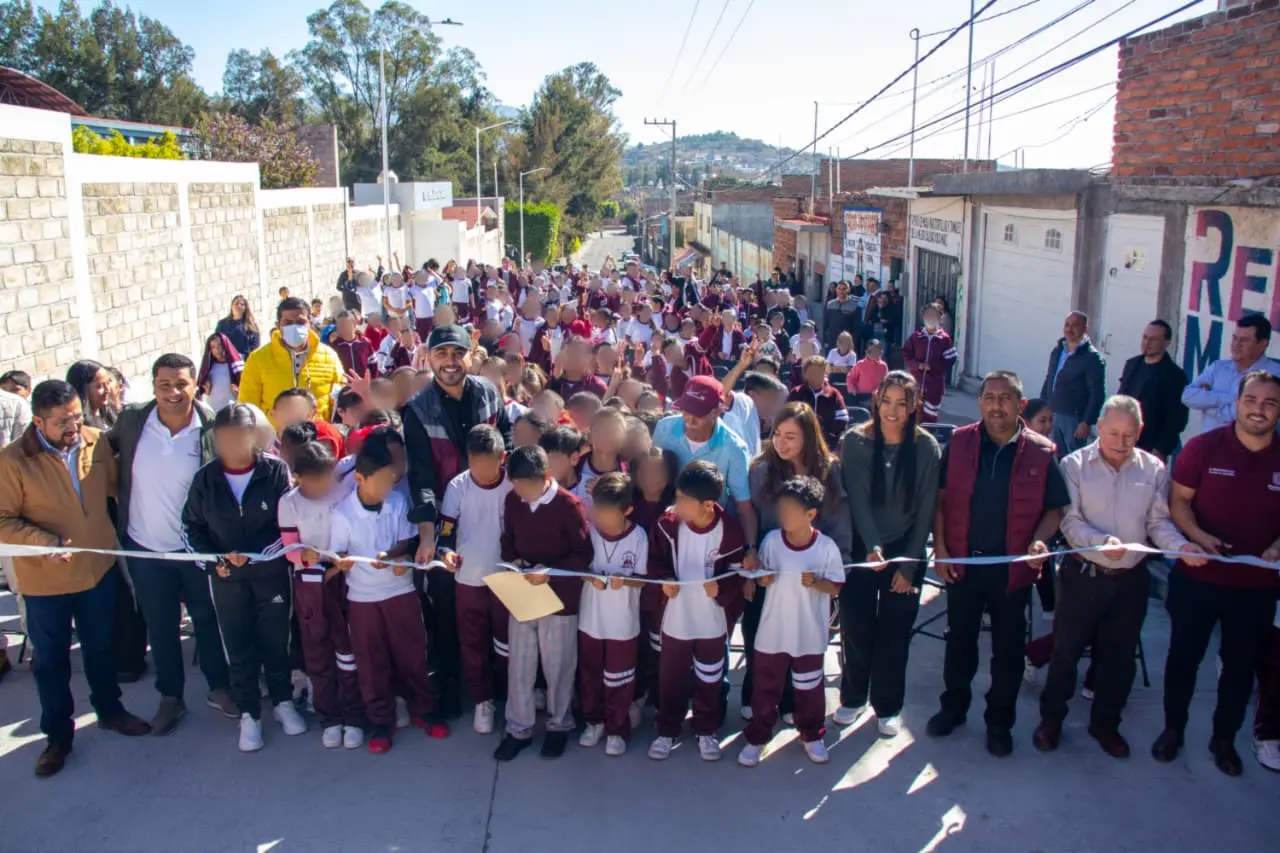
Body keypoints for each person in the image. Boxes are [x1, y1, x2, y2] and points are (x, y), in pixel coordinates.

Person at [1032, 395, 1202, 759]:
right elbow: (1069, 521)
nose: (1121, 443)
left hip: (1130, 580)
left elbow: (1158, 523)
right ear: (1099, 428)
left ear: (1140, 432)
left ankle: (1105, 724)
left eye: (1129, 435)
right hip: (1083, 574)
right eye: (1113, 433)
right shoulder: (1074, 465)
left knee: (1119, 657)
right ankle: (1051, 720)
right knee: (1065, 652)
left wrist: (1179, 547)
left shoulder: (1153, 469)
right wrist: (1099, 541)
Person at [0, 380, 151, 778]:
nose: (73, 428)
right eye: (62, 422)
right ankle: (57, 737)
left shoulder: (96, 443)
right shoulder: (12, 461)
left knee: (102, 647)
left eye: (76, 417)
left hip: (95, 570)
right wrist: (43, 541)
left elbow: (117, 489)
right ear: (38, 422)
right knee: (51, 661)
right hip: (44, 580)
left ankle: (110, 710)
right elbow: (3, 520)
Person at [927, 370, 1070, 757]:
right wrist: (941, 550)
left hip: (1012, 571)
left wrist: (1040, 540)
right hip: (963, 566)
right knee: (960, 643)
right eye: (989, 398)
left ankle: (999, 723)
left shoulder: (1041, 451)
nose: (996, 406)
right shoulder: (959, 442)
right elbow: (940, 501)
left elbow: (1055, 509)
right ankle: (953, 709)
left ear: (1020, 404)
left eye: (1005, 398)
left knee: (1008, 652)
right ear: (980, 403)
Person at [1153, 370, 1280, 776]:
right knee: (1183, 660)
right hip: (1198, 579)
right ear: (1237, 403)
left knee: (1240, 668)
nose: (1259, 410)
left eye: (1270, 403)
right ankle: (1173, 730)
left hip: (1257, 587)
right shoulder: (1204, 447)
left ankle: (1223, 740)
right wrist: (1198, 536)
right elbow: (1179, 502)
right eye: (1251, 400)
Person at [108, 354, 236, 734]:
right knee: (161, 626)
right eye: (164, 385)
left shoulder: (212, 426)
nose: (173, 392)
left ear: (196, 384)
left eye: (181, 384)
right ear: (153, 386)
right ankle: (170, 698)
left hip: (196, 550)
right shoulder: (133, 421)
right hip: (145, 547)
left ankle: (219, 688)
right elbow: (99, 452)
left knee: (208, 620)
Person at [404, 324, 515, 718]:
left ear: (471, 354)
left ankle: (500, 686)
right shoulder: (417, 411)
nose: (450, 362)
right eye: (441, 354)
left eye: (457, 353)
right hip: (447, 518)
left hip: (493, 509)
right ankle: (452, 687)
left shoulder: (488, 392)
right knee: (448, 608)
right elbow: (420, 476)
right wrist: (428, 536)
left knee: (501, 603)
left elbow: (506, 440)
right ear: (428, 358)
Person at [181, 404, 303, 752]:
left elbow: (288, 523)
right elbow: (190, 528)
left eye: (240, 436)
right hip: (226, 581)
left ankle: (283, 702)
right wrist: (213, 562)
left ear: (255, 436)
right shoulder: (205, 479)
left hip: (270, 575)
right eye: (225, 438)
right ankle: (250, 713)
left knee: (276, 640)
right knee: (238, 646)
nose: (232, 444)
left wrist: (256, 554)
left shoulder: (275, 470)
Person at [329, 429, 449, 754]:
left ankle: (424, 710)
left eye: (391, 480)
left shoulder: (397, 502)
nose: (387, 487)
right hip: (364, 599)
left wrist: (397, 558)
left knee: (414, 656)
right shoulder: (342, 514)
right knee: (372, 663)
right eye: (381, 481)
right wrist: (341, 563)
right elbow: (337, 554)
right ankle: (381, 722)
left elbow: (406, 541)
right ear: (359, 478)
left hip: (401, 592)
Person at [838, 371, 942, 735]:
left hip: (905, 548)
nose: (893, 411)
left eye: (902, 403)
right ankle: (853, 697)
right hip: (863, 546)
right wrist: (872, 547)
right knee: (856, 627)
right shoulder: (856, 441)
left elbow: (926, 511)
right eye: (886, 401)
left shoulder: (926, 447)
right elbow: (858, 500)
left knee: (895, 634)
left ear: (914, 406)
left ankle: (888, 706)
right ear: (876, 401)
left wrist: (909, 566)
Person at [743, 403, 851, 717]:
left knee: (800, 637)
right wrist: (751, 555)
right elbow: (750, 515)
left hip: (810, 570)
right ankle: (755, 696)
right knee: (759, 632)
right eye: (777, 434)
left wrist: (837, 569)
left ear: (808, 437)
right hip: (770, 566)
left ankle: (791, 701)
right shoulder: (761, 469)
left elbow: (839, 520)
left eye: (790, 436)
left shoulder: (829, 470)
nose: (781, 442)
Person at [495, 445, 594, 761]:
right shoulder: (513, 501)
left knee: (559, 666)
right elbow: (508, 540)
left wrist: (549, 573)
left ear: (546, 476)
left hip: (559, 599)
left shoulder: (569, 505)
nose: (522, 492)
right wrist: (514, 562)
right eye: (517, 485)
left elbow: (583, 555)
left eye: (528, 485)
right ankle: (518, 729)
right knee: (520, 665)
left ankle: (559, 725)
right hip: (524, 593)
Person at [739, 475, 844, 767]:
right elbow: (763, 578)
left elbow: (835, 586)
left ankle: (811, 734)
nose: (783, 515)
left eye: (790, 510)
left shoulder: (826, 548)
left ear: (810, 514)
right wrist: (763, 579)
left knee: (809, 687)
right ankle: (758, 737)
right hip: (772, 631)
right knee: (764, 687)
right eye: (781, 508)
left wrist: (817, 582)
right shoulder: (772, 541)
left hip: (808, 633)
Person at [646, 462, 747, 762]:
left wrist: (722, 589)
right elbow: (653, 561)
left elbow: (738, 576)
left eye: (684, 500)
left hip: (711, 621)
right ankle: (667, 729)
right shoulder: (666, 524)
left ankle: (706, 729)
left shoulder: (730, 532)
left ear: (708, 505)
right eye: (677, 496)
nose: (677, 504)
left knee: (710, 676)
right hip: (676, 616)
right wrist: (664, 581)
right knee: (671, 676)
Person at [279, 441, 366, 750]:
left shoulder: (343, 489)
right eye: (315, 479)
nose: (323, 484)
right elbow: (289, 547)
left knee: (348, 649)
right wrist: (303, 556)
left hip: (343, 578)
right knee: (318, 651)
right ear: (298, 477)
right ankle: (330, 718)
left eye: (327, 476)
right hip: (310, 584)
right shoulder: (289, 503)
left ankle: (354, 716)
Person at [436, 425, 514, 736]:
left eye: (488, 463)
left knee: (507, 641)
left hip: (506, 577)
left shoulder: (513, 483)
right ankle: (482, 700)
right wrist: (445, 552)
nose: (481, 470)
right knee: (472, 642)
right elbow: (445, 530)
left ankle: (509, 694)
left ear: (502, 457)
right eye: (474, 462)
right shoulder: (458, 486)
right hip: (468, 578)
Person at [651, 377, 760, 569]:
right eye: (686, 410)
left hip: (711, 536)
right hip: (666, 532)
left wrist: (750, 549)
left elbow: (744, 507)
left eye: (698, 414)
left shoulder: (735, 448)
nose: (689, 419)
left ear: (717, 411)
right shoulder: (663, 428)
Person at [578, 472, 649, 756]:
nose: (602, 518)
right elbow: (577, 568)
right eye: (598, 511)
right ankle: (594, 722)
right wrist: (589, 577)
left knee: (619, 676)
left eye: (609, 513)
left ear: (627, 510)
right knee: (590, 672)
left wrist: (625, 581)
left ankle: (617, 729)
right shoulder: (589, 531)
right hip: (591, 618)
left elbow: (642, 580)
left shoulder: (639, 537)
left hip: (623, 621)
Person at [238, 298, 345, 425]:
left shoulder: (329, 357)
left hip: (317, 433)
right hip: (275, 435)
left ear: (310, 323)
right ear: (278, 325)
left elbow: (339, 403)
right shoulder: (258, 358)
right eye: (288, 323)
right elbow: (248, 407)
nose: (294, 327)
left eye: (300, 322)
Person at [1181, 315, 1280, 435]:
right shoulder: (1218, 367)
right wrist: (1232, 398)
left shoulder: (1273, 374)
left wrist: (1206, 403)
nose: (1236, 344)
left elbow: (1237, 416)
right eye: (1235, 338)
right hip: (1209, 444)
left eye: (1244, 340)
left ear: (1263, 344)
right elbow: (1187, 396)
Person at [1116, 320, 1189, 459]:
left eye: (1153, 339)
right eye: (1145, 337)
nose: (1147, 343)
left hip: (1150, 446)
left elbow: (1177, 418)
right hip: (1123, 441)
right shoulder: (1132, 364)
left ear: (1166, 343)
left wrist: (1161, 449)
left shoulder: (1174, 375)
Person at [1039, 311, 1106, 456]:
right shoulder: (1058, 351)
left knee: (1073, 459)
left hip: (1073, 419)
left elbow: (1097, 393)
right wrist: (1042, 406)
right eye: (1067, 325)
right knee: (1053, 456)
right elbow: (1049, 378)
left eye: (1075, 325)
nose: (1069, 329)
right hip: (1053, 414)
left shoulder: (1092, 358)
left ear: (1085, 329)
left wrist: (1087, 421)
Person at [903, 304, 957, 424]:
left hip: (934, 386)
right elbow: (906, 355)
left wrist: (934, 368)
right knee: (912, 414)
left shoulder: (944, 339)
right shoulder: (916, 337)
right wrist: (917, 365)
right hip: (915, 382)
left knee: (930, 416)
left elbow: (950, 358)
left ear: (940, 318)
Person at [787, 356, 848, 449]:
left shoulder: (834, 394)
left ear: (826, 373)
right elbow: (787, 417)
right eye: (812, 372)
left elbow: (842, 419)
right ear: (805, 374)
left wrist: (826, 435)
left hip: (826, 444)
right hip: (799, 442)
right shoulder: (796, 393)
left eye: (820, 372)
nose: (816, 375)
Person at [196, 332, 243, 412]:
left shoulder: (236, 367)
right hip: (214, 411)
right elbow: (202, 394)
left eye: (220, 346)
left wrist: (238, 392)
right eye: (213, 347)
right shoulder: (208, 369)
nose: (217, 350)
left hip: (233, 411)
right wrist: (206, 393)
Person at [66, 359, 118, 429]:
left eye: (108, 383)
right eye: (99, 386)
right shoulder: (78, 426)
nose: (107, 390)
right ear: (82, 390)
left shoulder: (112, 412)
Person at [846, 338, 888, 409]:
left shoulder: (883, 366)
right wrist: (852, 388)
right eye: (871, 352)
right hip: (861, 397)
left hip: (876, 398)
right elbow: (850, 378)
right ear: (866, 352)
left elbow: (885, 382)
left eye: (877, 351)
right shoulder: (860, 364)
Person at [823, 281, 861, 351]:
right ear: (836, 289)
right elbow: (825, 324)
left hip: (846, 343)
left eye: (844, 289)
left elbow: (857, 328)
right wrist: (825, 340)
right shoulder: (830, 304)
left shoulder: (854, 307)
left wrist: (852, 343)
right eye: (839, 289)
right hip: (832, 342)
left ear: (848, 290)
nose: (841, 291)